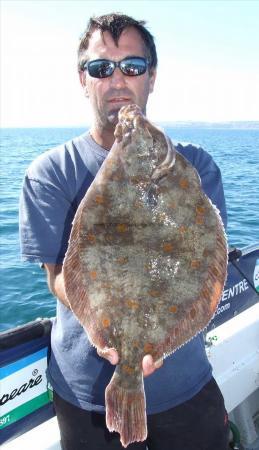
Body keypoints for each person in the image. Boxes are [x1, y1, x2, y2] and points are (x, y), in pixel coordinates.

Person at [19, 13, 229, 450]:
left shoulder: (197, 166)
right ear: (83, 78)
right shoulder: (50, 174)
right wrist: (110, 331)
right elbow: (58, 274)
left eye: (132, 66)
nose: (117, 80)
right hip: (85, 396)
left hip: (186, 386)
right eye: (101, 68)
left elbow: (206, 261)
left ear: (151, 77)